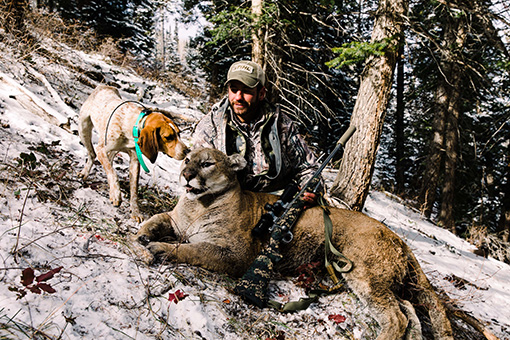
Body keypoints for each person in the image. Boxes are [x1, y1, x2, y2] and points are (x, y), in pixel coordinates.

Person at [192, 60, 323, 201]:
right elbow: (195, 174)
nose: (238, 97)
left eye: (246, 91)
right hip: (228, 202)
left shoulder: (282, 125)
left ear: (261, 93)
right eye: (234, 89)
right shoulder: (210, 126)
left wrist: (310, 189)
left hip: (274, 201)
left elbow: (308, 168)